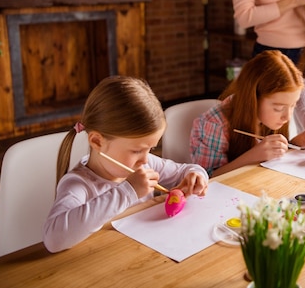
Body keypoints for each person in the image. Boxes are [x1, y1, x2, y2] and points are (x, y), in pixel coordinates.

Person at [43, 76, 209, 253]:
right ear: (97, 142)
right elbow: (53, 240)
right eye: (137, 151)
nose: (145, 160)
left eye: (151, 149)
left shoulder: (145, 164)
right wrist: (128, 191)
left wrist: (196, 175)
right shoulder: (79, 184)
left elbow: (185, 170)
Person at [190, 50, 305, 177]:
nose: (287, 117)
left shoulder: (268, 116)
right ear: (253, 98)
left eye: (293, 106)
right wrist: (252, 156)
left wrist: (295, 143)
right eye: (279, 108)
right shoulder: (215, 124)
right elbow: (207, 178)